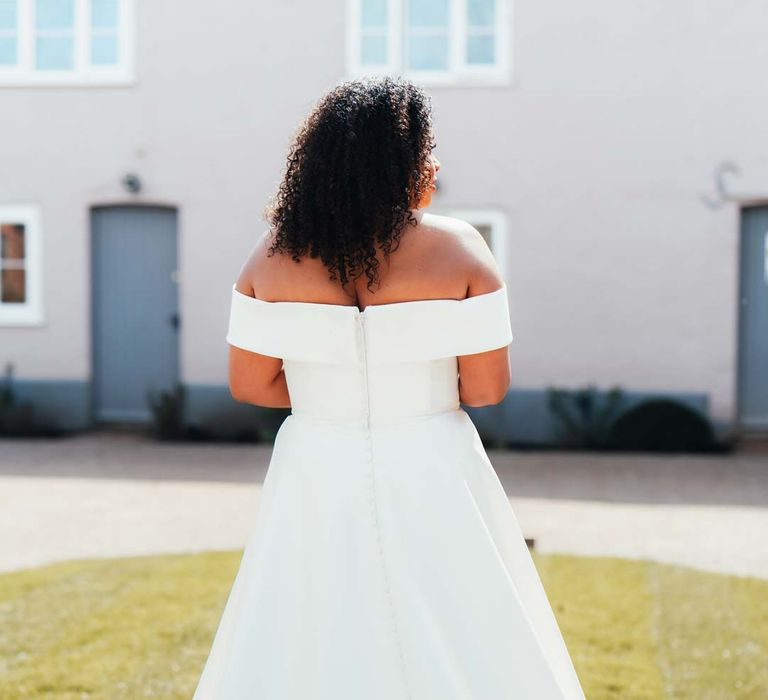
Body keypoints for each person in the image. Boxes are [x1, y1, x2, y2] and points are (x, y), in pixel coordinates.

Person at [193, 75, 586, 699]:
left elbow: (251, 385)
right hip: (432, 458)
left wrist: (336, 397)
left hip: (316, 461)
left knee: (307, 619)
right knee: (464, 620)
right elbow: (485, 390)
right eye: (428, 148)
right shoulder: (458, 248)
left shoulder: (270, 256)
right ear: (405, 161)